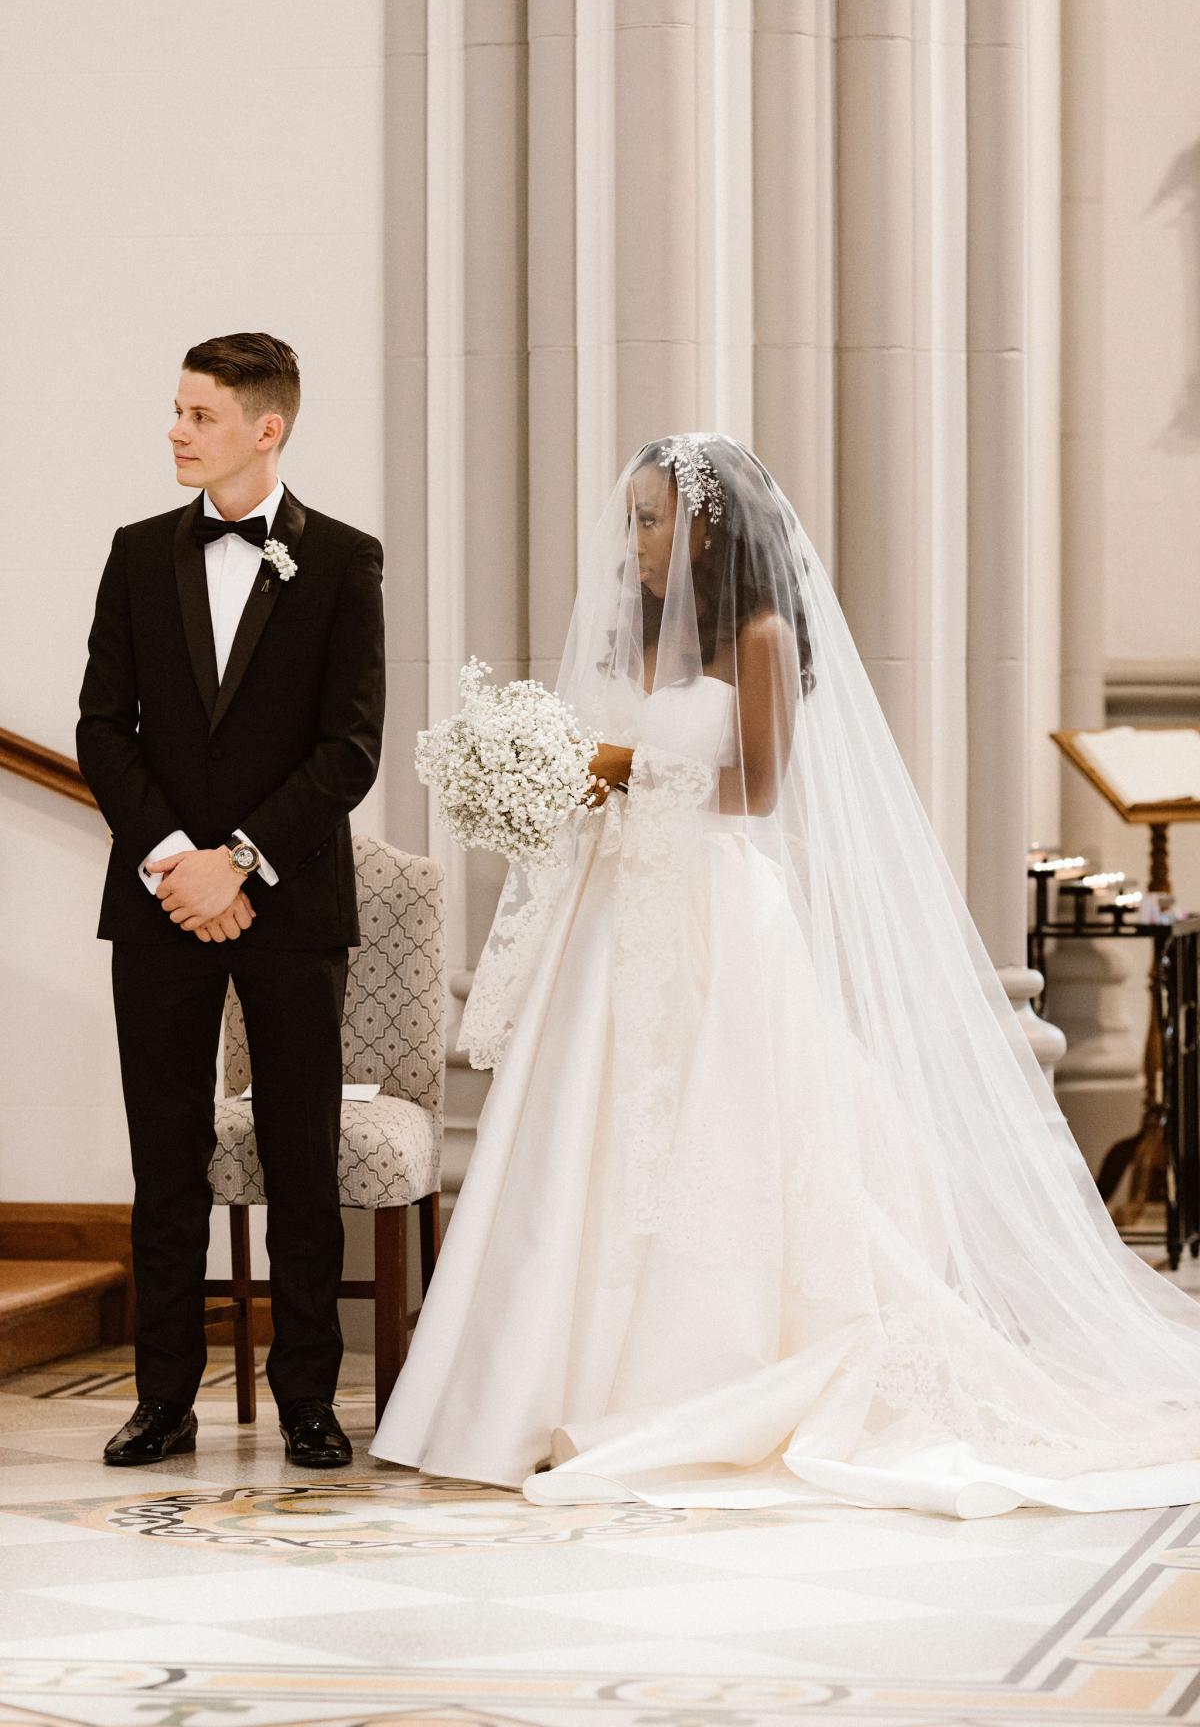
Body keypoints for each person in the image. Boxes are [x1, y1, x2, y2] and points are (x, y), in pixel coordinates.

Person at [371, 432, 1200, 1519]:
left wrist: (616, 769)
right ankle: (528, 1385)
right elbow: (623, 764)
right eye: (631, 519)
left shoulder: (759, 636)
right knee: (586, 1130)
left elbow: (756, 790)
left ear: (712, 525)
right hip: (620, 913)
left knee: (721, 1139)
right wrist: (542, 777)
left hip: (714, 909)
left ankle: (691, 1371)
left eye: (653, 518)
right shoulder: (646, 643)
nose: (636, 542)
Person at [77, 332, 385, 1468]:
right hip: (159, 901)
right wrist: (176, 859)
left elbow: (349, 750)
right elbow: (103, 727)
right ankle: (163, 1398)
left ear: (269, 427)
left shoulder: (345, 561)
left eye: (197, 414)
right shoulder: (135, 552)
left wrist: (240, 863)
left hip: (290, 904)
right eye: (175, 410)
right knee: (165, 1159)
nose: (174, 429)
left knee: (300, 1153)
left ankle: (308, 1394)